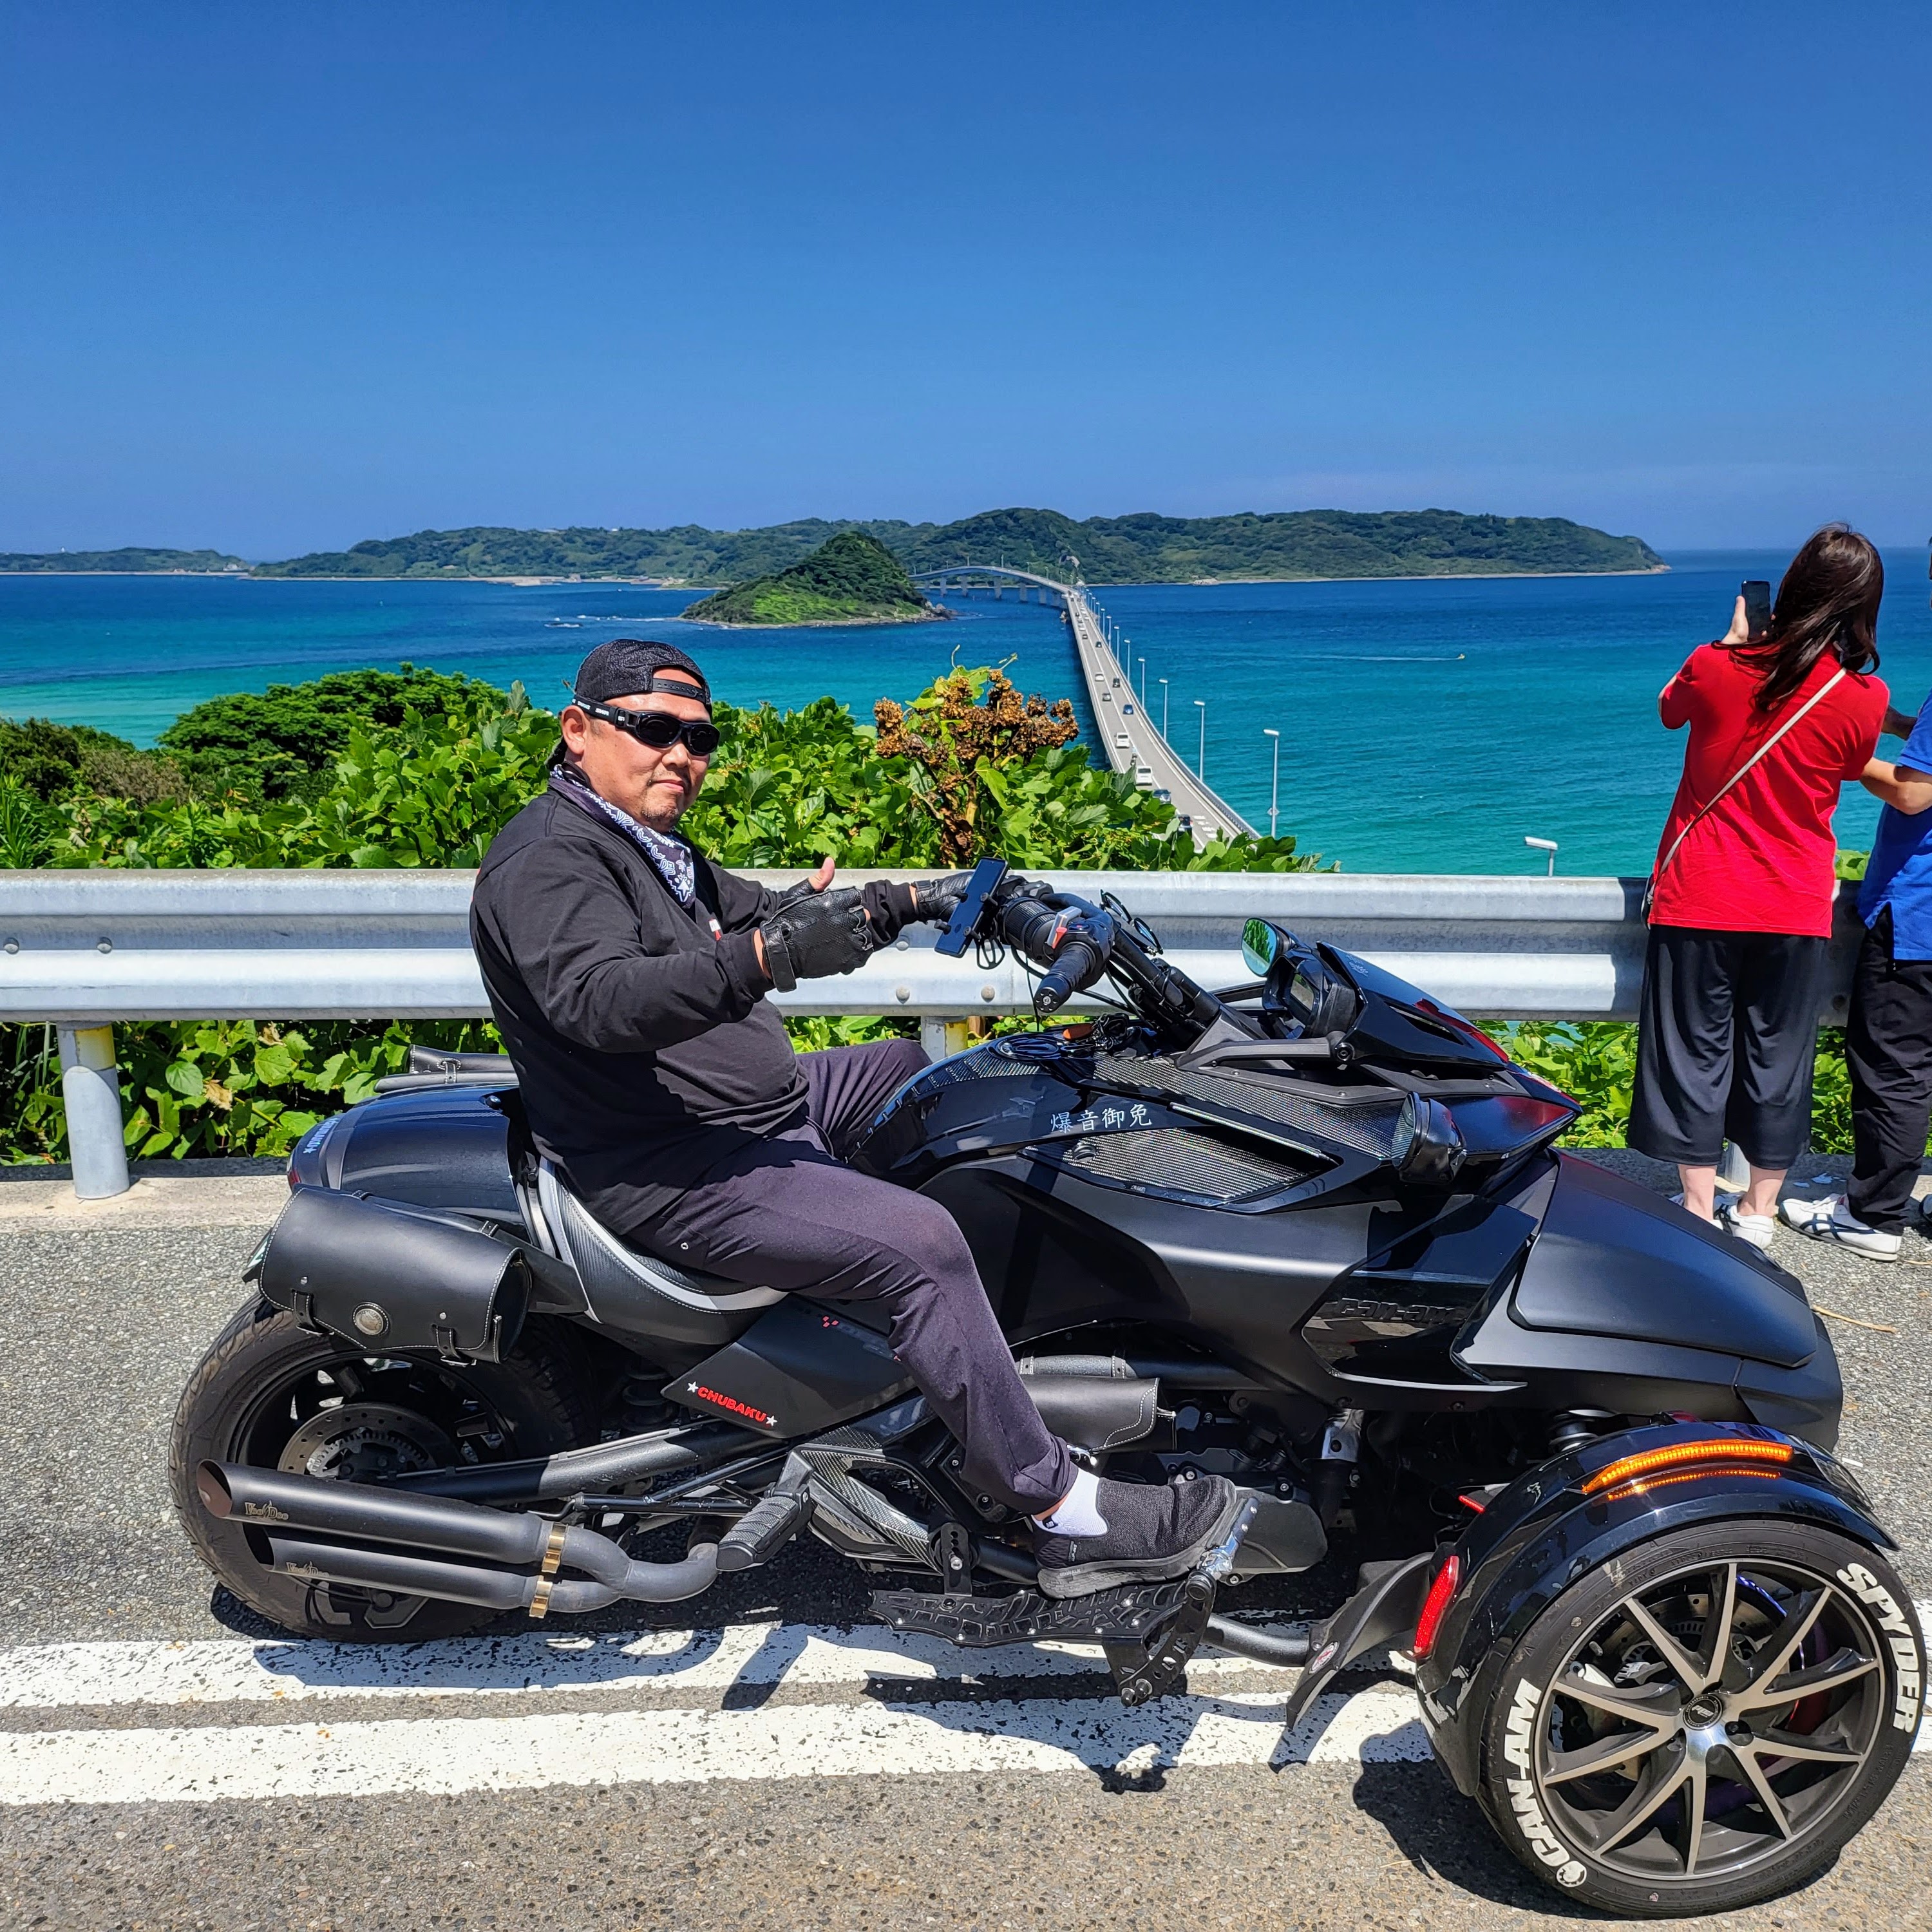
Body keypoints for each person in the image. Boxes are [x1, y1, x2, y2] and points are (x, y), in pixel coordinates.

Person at [469, 638, 1242, 1597]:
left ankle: (894, 1345)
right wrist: (769, 959)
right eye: (655, 731)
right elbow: (603, 1002)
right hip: (664, 1158)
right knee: (920, 1241)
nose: (681, 756)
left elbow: (766, 912)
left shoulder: (641, 840)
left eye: (699, 738)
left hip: (758, 1102)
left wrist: (924, 900)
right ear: (579, 731)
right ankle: (1057, 1509)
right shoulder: (551, 860)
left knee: (922, 1074)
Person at [1628, 526, 1888, 1247]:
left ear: (1792, 589)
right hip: (1795, 900)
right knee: (1780, 1053)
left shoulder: (1715, 665)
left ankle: (1695, 1202)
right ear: (1862, 608)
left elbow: (1666, 709)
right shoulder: (1864, 697)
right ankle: (1759, 1213)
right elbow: (1842, 766)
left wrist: (1733, 639)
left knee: (1693, 1048)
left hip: (1701, 892)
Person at [1783, 549, 1932, 1262]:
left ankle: (1872, 1216)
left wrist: (1839, 755)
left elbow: (1913, 792)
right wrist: (1901, 725)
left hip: (1920, 913)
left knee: (1894, 1065)